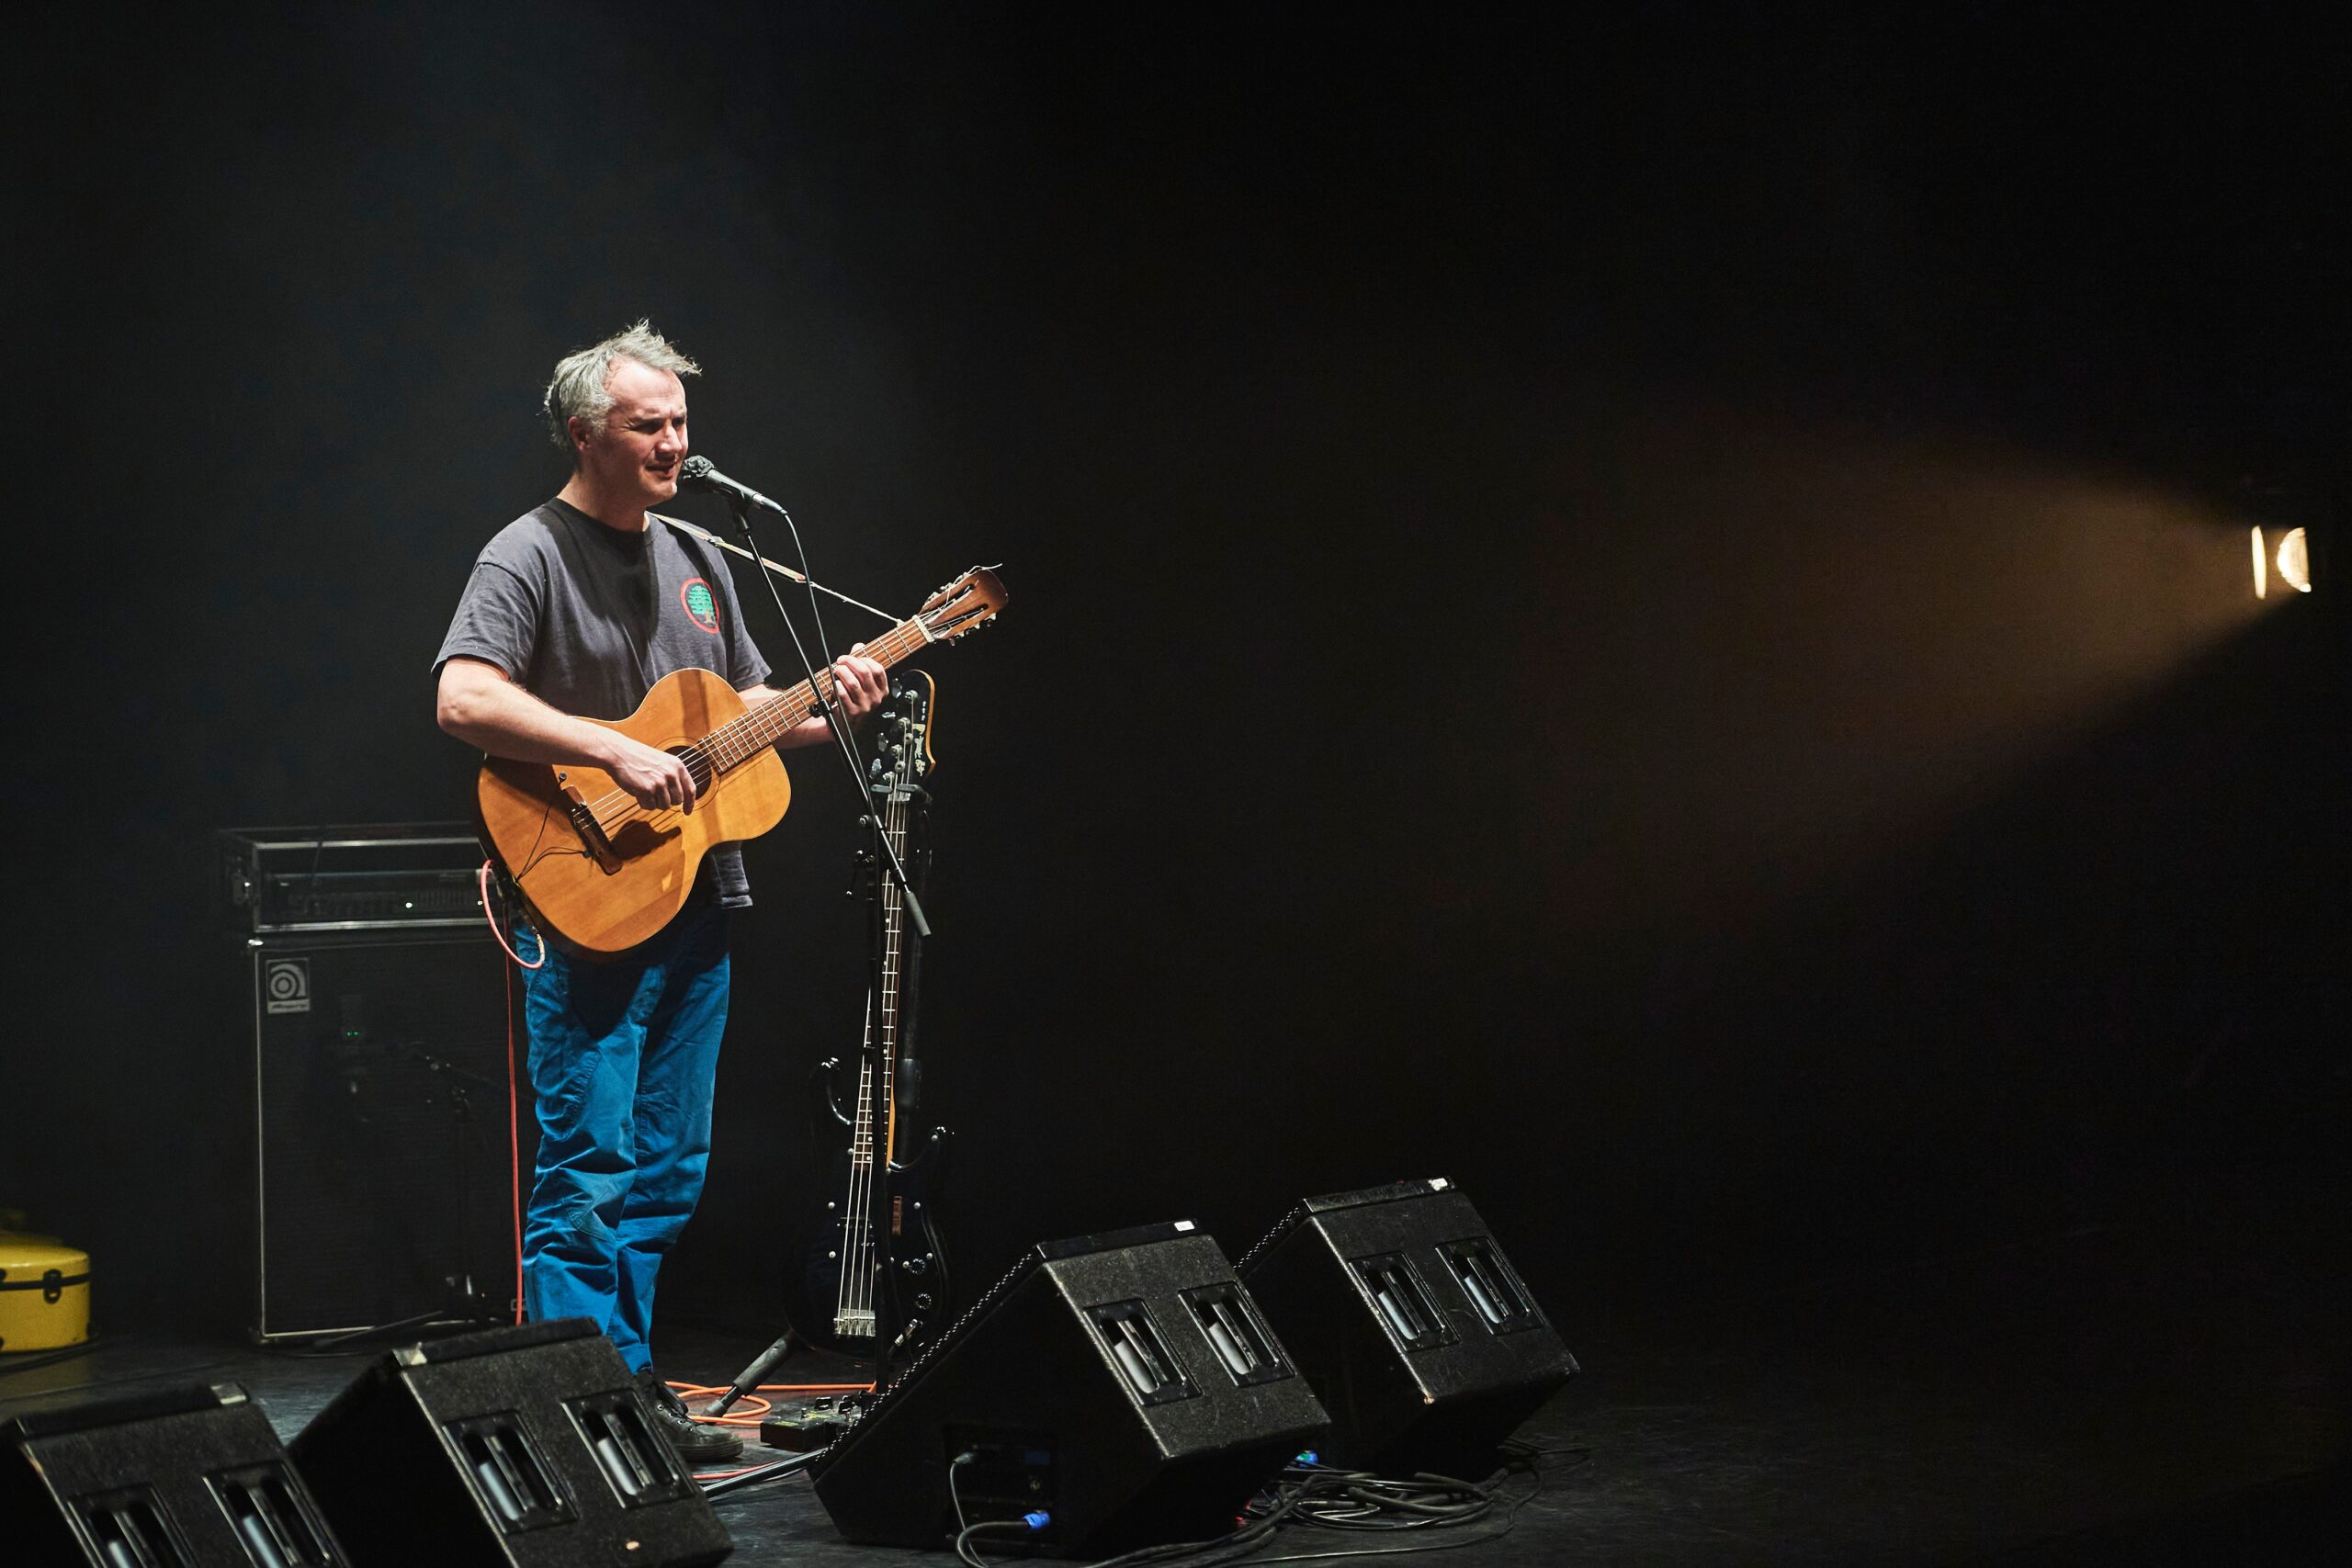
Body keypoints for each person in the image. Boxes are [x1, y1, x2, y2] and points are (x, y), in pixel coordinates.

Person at [434, 321, 886, 1462]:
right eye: (650, 423)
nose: (674, 440)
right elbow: (463, 699)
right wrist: (610, 751)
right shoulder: (524, 553)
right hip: (580, 895)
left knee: (667, 1168)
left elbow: (748, 716)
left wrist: (833, 700)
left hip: (694, 899)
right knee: (587, 1167)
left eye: (681, 421)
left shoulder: (702, 557)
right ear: (588, 433)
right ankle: (574, 1421)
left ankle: (627, 1399)